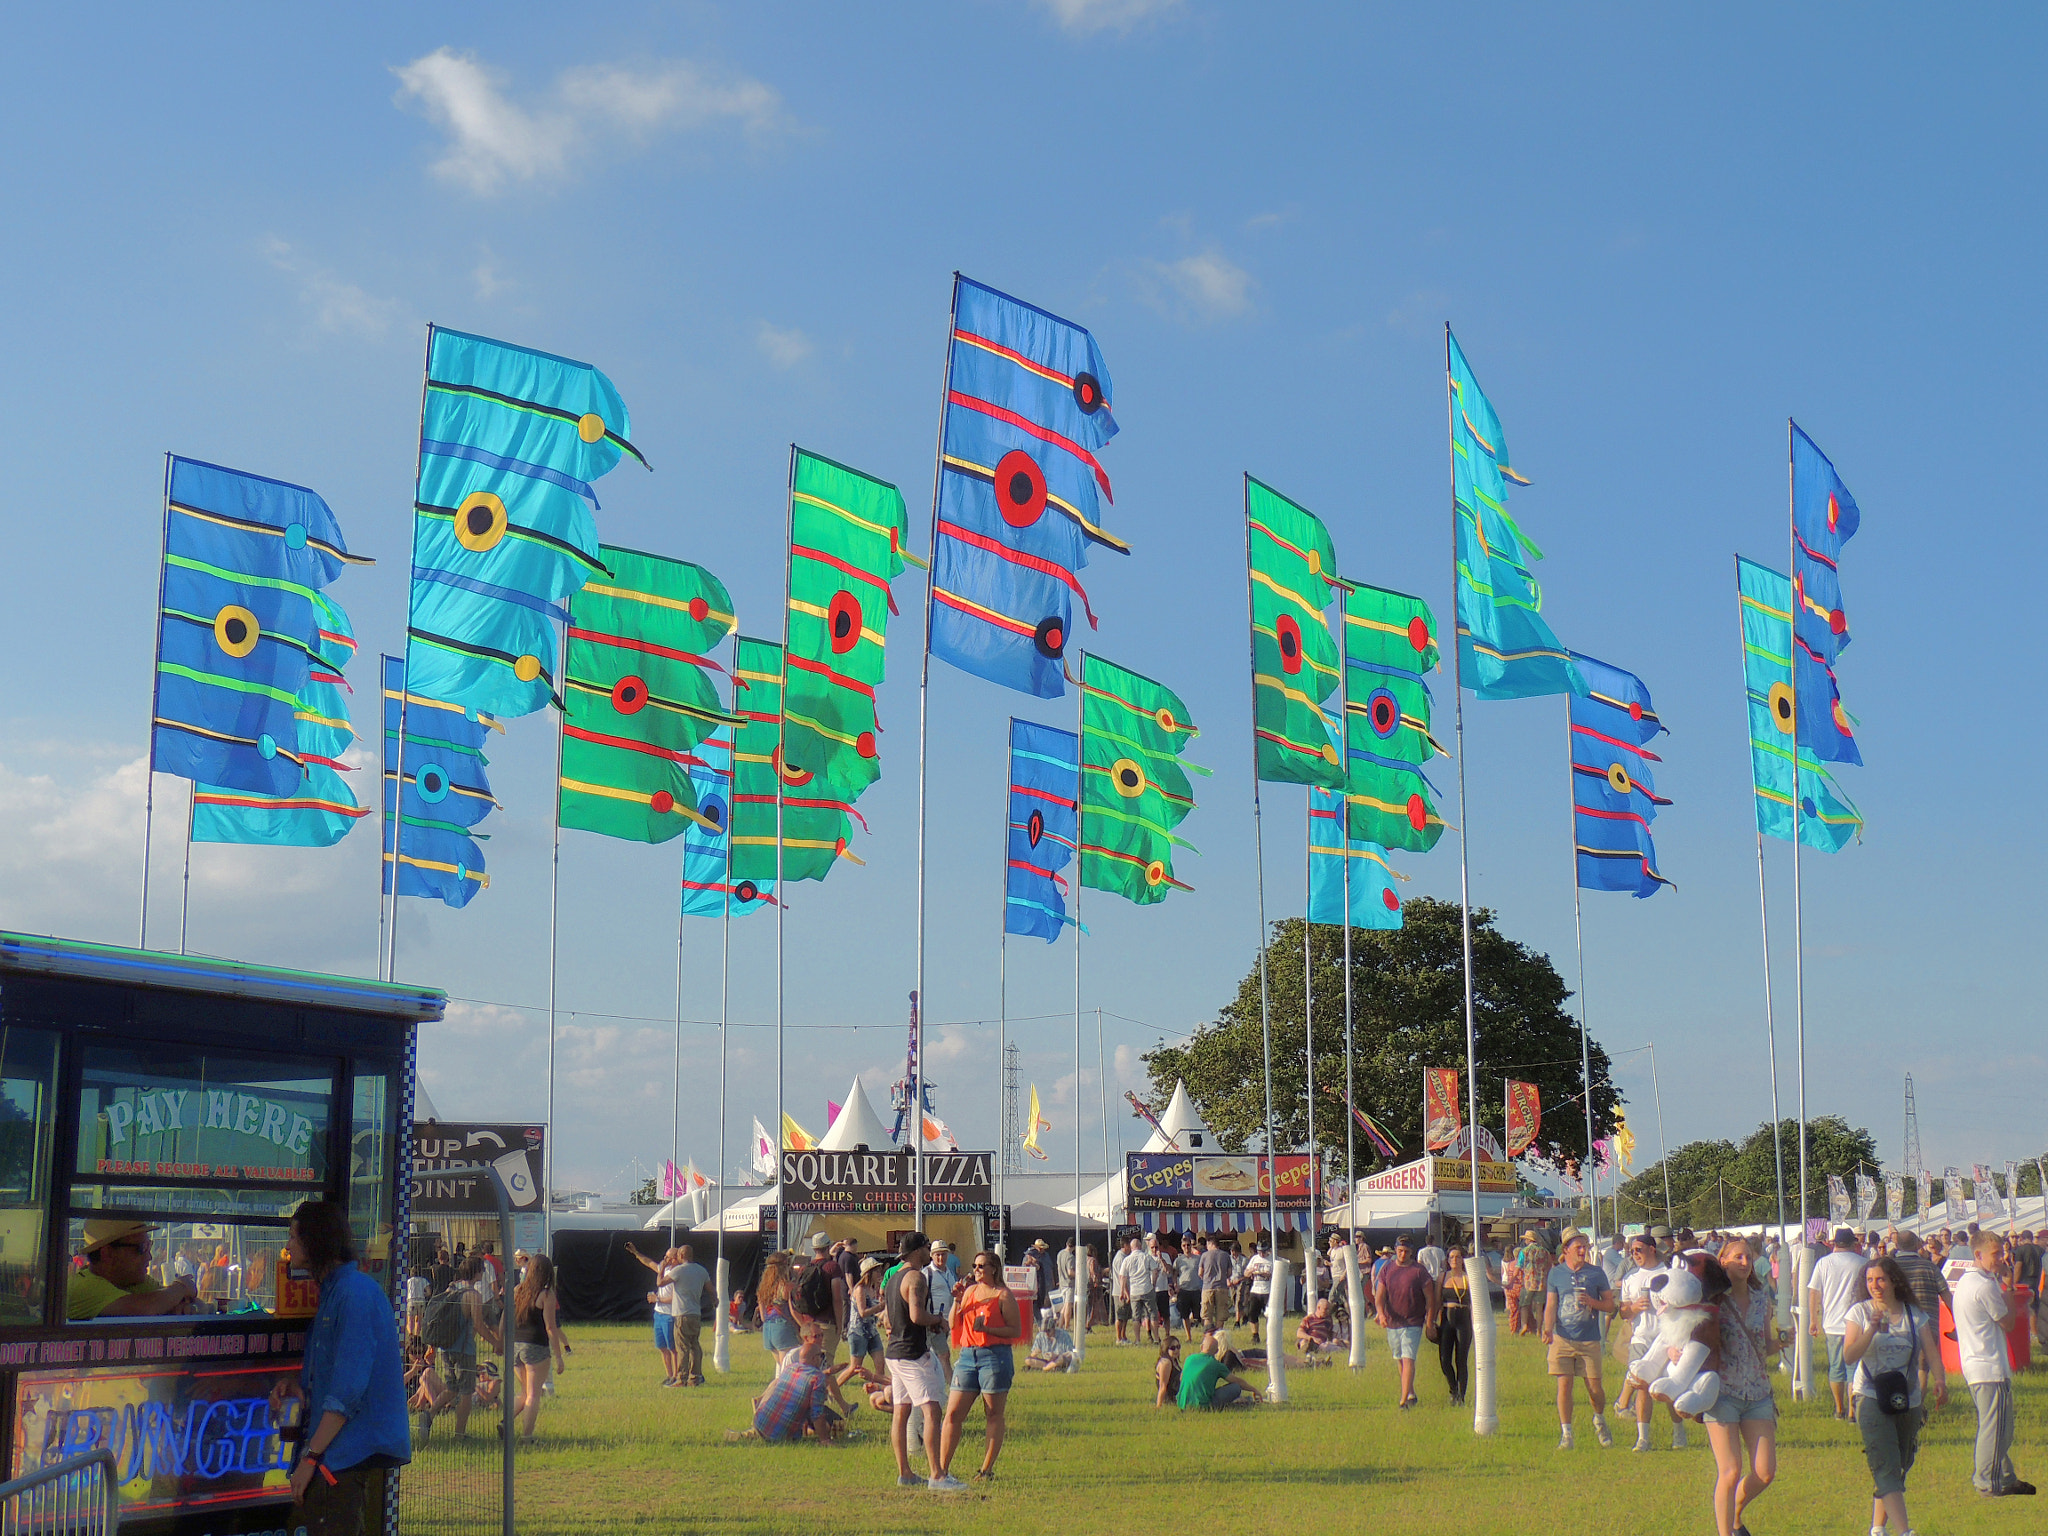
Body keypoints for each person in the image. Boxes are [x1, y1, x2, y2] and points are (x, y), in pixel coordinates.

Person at [267, 1199, 409, 1536]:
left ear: (315, 1241)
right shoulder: (334, 1292)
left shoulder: (355, 1294)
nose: (288, 1247)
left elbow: (346, 1393)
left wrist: (309, 1459)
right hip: (335, 1454)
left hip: (346, 1456)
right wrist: (299, 1388)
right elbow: (335, 1374)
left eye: (294, 1238)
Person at [1842, 1254, 1948, 1535]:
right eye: (1869, 1280)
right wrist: (1871, 1329)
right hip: (1870, 1396)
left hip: (1908, 1397)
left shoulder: (1914, 1314)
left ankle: (1878, 1528)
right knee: (1885, 1465)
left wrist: (1940, 1380)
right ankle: (1905, 1532)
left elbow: (1931, 1351)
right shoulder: (1860, 1313)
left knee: (1900, 1464)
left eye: (1880, 1279)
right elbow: (1849, 1356)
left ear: (1893, 1281)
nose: (1875, 1285)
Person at [1704, 1237, 1782, 1536]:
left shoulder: (1761, 1299)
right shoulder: (1713, 1300)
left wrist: (1783, 1341)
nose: (1745, 1262)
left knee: (1764, 1472)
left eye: (1748, 1257)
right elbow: (1695, 1336)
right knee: (1731, 1470)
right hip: (1722, 1392)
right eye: (1738, 1257)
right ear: (1722, 1260)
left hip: (1758, 1390)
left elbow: (1763, 1345)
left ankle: (1734, 1514)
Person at [1953, 1229, 2033, 1498]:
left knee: (1995, 1427)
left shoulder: (1966, 1281)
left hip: (1976, 1364)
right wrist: (2009, 1287)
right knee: (1998, 1430)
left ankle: (2006, 1476)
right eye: (1996, 1254)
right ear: (1978, 1255)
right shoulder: (1985, 1286)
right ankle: (1986, 1482)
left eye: (2002, 1252)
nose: (2002, 1258)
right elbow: (2008, 1322)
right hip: (1989, 1366)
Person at [885, 1232, 962, 1491]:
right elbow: (917, 1316)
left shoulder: (893, 1278)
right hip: (913, 1352)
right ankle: (937, 1475)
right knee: (932, 1411)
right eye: (927, 1247)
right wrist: (939, 1320)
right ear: (919, 1250)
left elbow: (886, 1320)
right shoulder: (916, 1277)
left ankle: (905, 1473)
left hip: (894, 1351)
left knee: (901, 1412)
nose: (930, 1251)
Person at [942, 1250, 1021, 1482]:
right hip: (968, 1356)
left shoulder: (1003, 1296)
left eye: (981, 1266)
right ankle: (941, 1470)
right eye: (974, 1266)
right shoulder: (969, 1292)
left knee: (993, 1413)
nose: (976, 1270)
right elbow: (953, 1324)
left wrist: (988, 1330)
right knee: (953, 1413)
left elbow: (1015, 1330)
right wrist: (956, 1300)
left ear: (993, 1269)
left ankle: (986, 1470)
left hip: (995, 1356)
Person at [1543, 1228, 1617, 1450]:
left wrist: (1592, 1302)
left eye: (1585, 1246)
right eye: (1578, 1247)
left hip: (1589, 1340)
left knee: (1595, 1390)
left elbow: (1610, 1305)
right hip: (1562, 1338)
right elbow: (1551, 1305)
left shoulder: (1596, 1273)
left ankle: (1599, 1419)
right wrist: (1547, 1329)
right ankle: (1567, 1434)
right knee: (1564, 1386)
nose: (1583, 1250)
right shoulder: (1556, 1274)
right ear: (1566, 1250)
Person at [1617, 1233, 1685, 1451]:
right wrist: (1634, 1308)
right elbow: (1623, 1312)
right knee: (1642, 1387)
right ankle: (1643, 1438)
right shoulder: (1630, 1278)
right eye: (1631, 1251)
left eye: (1638, 1250)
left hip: (1666, 1338)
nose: (1634, 1254)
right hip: (1641, 1338)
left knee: (1669, 1387)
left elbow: (1681, 1306)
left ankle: (1679, 1433)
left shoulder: (1668, 1274)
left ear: (1651, 1249)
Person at [67, 1220, 198, 1320]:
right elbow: (148, 1308)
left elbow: (168, 1301)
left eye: (149, 1246)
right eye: (142, 1248)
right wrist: (181, 1286)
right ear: (107, 1253)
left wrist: (190, 1307)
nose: (149, 1256)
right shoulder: (83, 1288)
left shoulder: (134, 1280)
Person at [1808, 1226, 1869, 1420]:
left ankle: (1839, 1408)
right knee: (1854, 1369)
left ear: (1835, 1243)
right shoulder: (1862, 1263)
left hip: (1832, 1322)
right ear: (1853, 1243)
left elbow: (1814, 1292)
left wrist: (1813, 1319)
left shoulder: (1823, 1263)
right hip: (1857, 1323)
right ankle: (1853, 1411)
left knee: (1836, 1367)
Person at [750, 1326, 847, 1445]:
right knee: (832, 1425)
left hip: (759, 1423)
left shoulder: (789, 1369)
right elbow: (816, 1413)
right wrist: (825, 1440)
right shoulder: (817, 1378)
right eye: (820, 1356)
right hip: (779, 1436)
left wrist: (829, 1372)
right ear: (814, 1358)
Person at [509, 1254, 566, 1445]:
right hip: (535, 1346)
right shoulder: (546, 1295)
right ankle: (527, 1437)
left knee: (524, 1393)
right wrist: (559, 1357)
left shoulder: (518, 1290)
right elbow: (550, 1327)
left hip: (515, 1345)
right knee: (534, 1394)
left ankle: (504, 1423)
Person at [1375, 1234, 1435, 1409]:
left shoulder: (1419, 1271)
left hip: (1413, 1321)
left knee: (1408, 1358)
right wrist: (1381, 1314)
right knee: (1400, 1359)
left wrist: (1429, 1322)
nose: (1402, 1255)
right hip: (1393, 1321)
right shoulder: (1387, 1269)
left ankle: (1403, 1401)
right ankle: (1410, 1392)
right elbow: (1379, 1297)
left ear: (1411, 1252)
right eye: (1400, 1251)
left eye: (1406, 1251)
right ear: (1395, 1250)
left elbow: (1430, 1299)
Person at [665, 1244, 713, 1387]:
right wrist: (715, 1301)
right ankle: (696, 1377)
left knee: (682, 1347)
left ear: (680, 1255)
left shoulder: (678, 1271)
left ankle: (681, 1378)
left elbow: (660, 1283)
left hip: (681, 1313)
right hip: (695, 1314)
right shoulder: (701, 1270)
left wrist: (662, 1268)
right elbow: (711, 1290)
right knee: (695, 1346)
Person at [1435, 1243, 1474, 1406]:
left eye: (1458, 1257)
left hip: (1463, 1318)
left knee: (1461, 1359)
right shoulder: (1443, 1277)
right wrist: (1431, 1322)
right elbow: (1437, 1300)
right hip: (1446, 1318)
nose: (1455, 1260)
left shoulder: (1468, 1277)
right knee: (1444, 1359)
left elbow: (1474, 1302)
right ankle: (1453, 1389)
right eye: (1452, 1257)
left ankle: (1461, 1396)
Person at [1178, 1330, 1257, 1409]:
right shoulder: (1216, 1365)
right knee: (1236, 1387)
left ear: (1201, 1347)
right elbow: (1237, 1381)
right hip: (1203, 1405)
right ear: (1216, 1351)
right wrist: (1254, 1390)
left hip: (1182, 1404)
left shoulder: (1189, 1359)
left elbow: (1181, 1378)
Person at [1889, 1230, 1950, 1320]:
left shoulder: (1890, 1268)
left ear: (1897, 1246)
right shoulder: (1930, 1267)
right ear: (1918, 1245)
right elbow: (1947, 1296)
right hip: (1929, 1324)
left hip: (1899, 1327)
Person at [756, 1251, 801, 1360]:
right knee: (788, 1369)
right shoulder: (785, 1286)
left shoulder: (763, 1288)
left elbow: (762, 1316)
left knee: (781, 1368)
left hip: (768, 1329)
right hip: (783, 1328)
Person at [847, 1256, 887, 1373]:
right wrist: (880, 1307)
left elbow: (875, 1312)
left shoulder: (873, 1289)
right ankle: (834, 1386)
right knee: (855, 1367)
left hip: (871, 1331)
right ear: (868, 1273)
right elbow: (862, 1312)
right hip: (858, 1332)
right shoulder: (860, 1289)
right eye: (877, 1271)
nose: (879, 1273)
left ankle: (880, 1389)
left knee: (880, 1363)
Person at [924, 1242, 957, 1380]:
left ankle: (934, 1380)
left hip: (946, 1320)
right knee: (943, 1354)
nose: (940, 1258)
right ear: (932, 1256)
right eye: (937, 1254)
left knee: (931, 1355)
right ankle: (951, 1383)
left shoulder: (949, 1272)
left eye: (943, 1254)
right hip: (933, 1321)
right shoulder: (927, 1273)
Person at [1197, 1235, 1233, 1334]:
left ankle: (1209, 1336)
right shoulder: (1226, 1255)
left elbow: (1200, 1272)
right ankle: (1218, 1336)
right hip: (1222, 1288)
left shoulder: (1204, 1255)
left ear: (1211, 1244)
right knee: (1221, 1314)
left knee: (1207, 1314)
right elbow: (1229, 1273)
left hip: (1208, 1287)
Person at [1295, 1297, 1340, 1363]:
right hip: (1310, 1340)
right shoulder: (1309, 1319)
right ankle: (1306, 1351)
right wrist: (1311, 1338)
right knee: (1304, 1342)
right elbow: (1299, 1333)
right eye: (1325, 1309)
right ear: (1318, 1308)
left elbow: (1330, 1333)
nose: (1327, 1311)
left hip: (1321, 1343)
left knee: (1328, 1347)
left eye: (1328, 1309)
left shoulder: (1328, 1319)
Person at [1173, 1237, 1202, 1340]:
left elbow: (1202, 1273)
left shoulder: (1198, 1259)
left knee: (1197, 1315)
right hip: (1184, 1290)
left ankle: (1201, 1332)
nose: (1186, 1247)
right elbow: (1175, 1274)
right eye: (1184, 1246)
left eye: (1188, 1245)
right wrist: (1175, 1285)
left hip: (1195, 1290)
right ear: (1181, 1247)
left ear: (1191, 1246)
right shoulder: (1179, 1260)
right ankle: (1188, 1336)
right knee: (1184, 1314)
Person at [1243, 1243, 1274, 1331]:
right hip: (1255, 1290)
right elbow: (1246, 1273)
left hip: (1268, 1291)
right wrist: (1251, 1271)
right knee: (1252, 1313)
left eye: (1263, 1252)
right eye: (1259, 1252)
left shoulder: (1272, 1259)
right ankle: (1255, 1335)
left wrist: (1263, 1273)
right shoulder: (1254, 1258)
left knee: (1269, 1314)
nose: (1261, 1254)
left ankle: (1270, 1333)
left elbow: (1275, 1274)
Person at [1154, 1335, 1183, 1405]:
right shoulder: (1166, 1363)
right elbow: (1162, 1386)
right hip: (1171, 1400)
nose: (1176, 1350)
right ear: (1166, 1349)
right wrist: (1159, 1406)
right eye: (1173, 1348)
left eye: (1178, 1347)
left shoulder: (1173, 1360)